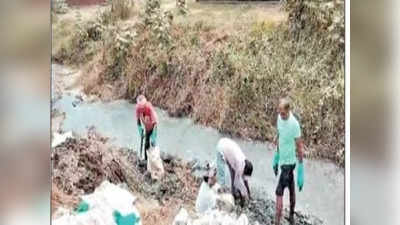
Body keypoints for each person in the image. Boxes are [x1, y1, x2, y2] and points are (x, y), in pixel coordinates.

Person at [272, 97, 304, 225]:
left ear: (288, 110)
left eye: (283, 113)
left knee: (279, 191)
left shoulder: (294, 125)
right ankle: (291, 216)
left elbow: (299, 147)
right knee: (291, 187)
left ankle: (276, 222)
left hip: (289, 163)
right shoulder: (279, 118)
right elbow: (279, 132)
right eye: (279, 112)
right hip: (282, 158)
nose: (281, 115)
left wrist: (301, 168)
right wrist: (276, 156)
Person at [215, 137, 253, 206]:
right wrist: (243, 199)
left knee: (233, 173)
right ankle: (219, 198)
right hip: (221, 148)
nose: (244, 176)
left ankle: (232, 193)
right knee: (222, 177)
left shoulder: (245, 163)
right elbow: (237, 183)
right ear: (244, 170)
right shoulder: (239, 164)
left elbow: (245, 181)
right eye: (244, 174)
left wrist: (249, 195)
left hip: (229, 149)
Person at [135, 95, 158, 161]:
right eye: (140, 107)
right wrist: (140, 130)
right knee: (146, 144)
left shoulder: (149, 107)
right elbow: (138, 120)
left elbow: (155, 122)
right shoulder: (138, 108)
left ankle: (154, 159)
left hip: (153, 125)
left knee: (153, 143)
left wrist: (154, 135)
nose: (142, 108)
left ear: (145, 104)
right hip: (146, 126)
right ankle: (146, 160)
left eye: (143, 107)